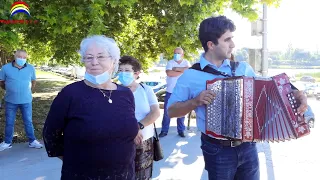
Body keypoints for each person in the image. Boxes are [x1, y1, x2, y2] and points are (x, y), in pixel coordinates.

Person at [167, 16, 308, 180]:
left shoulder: (243, 68)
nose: (233, 44)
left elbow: (270, 89)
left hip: (249, 147)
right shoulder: (191, 75)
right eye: (227, 40)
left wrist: (295, 92)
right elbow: (171, 111)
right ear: (211, 45)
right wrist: (195, 101)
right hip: (217, 150)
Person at [42, 35, 139, 179]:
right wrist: (76, 161)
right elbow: (50, 135)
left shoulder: (125, 94)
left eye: (100, 57)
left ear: (113, 61)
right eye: (88, 57)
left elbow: (126, 126)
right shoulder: (70, 94)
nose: (94, 62)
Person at [118, 55, 160, 180]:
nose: (122, 73)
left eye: (127, 70)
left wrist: (138, 126)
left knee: (142, 176)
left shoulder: (146, 90)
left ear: (136, 73)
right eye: (120, 70)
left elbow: (155, 113)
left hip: (144, 143)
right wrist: (131, 130)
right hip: (120, 142)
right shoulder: (114, 90)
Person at [0, 49, 43, 151]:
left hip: (26, 100)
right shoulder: (5, 68)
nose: (22, 59)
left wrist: (28, 91)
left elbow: (33, 81)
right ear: (15, 56)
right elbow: (1, 82)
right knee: (9, 122)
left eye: (24, 57)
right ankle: (7, 142)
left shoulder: (30, 68)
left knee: (28, 121)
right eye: (20, 57)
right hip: (10, 100)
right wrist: (9, 89)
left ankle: (32, 141)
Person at [159, 47, 191, 138]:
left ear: (182, 55)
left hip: (182, 92)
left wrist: (176, 68)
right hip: (170, 92)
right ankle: (164, 131)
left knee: (181, 112)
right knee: (167, 112)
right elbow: (169, 73)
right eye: (175, 53)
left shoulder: (186, 62)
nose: (176, 55)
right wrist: (182, 71)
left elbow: (189, 71)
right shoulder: (170, 62)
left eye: (178, 53)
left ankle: (181, 130)